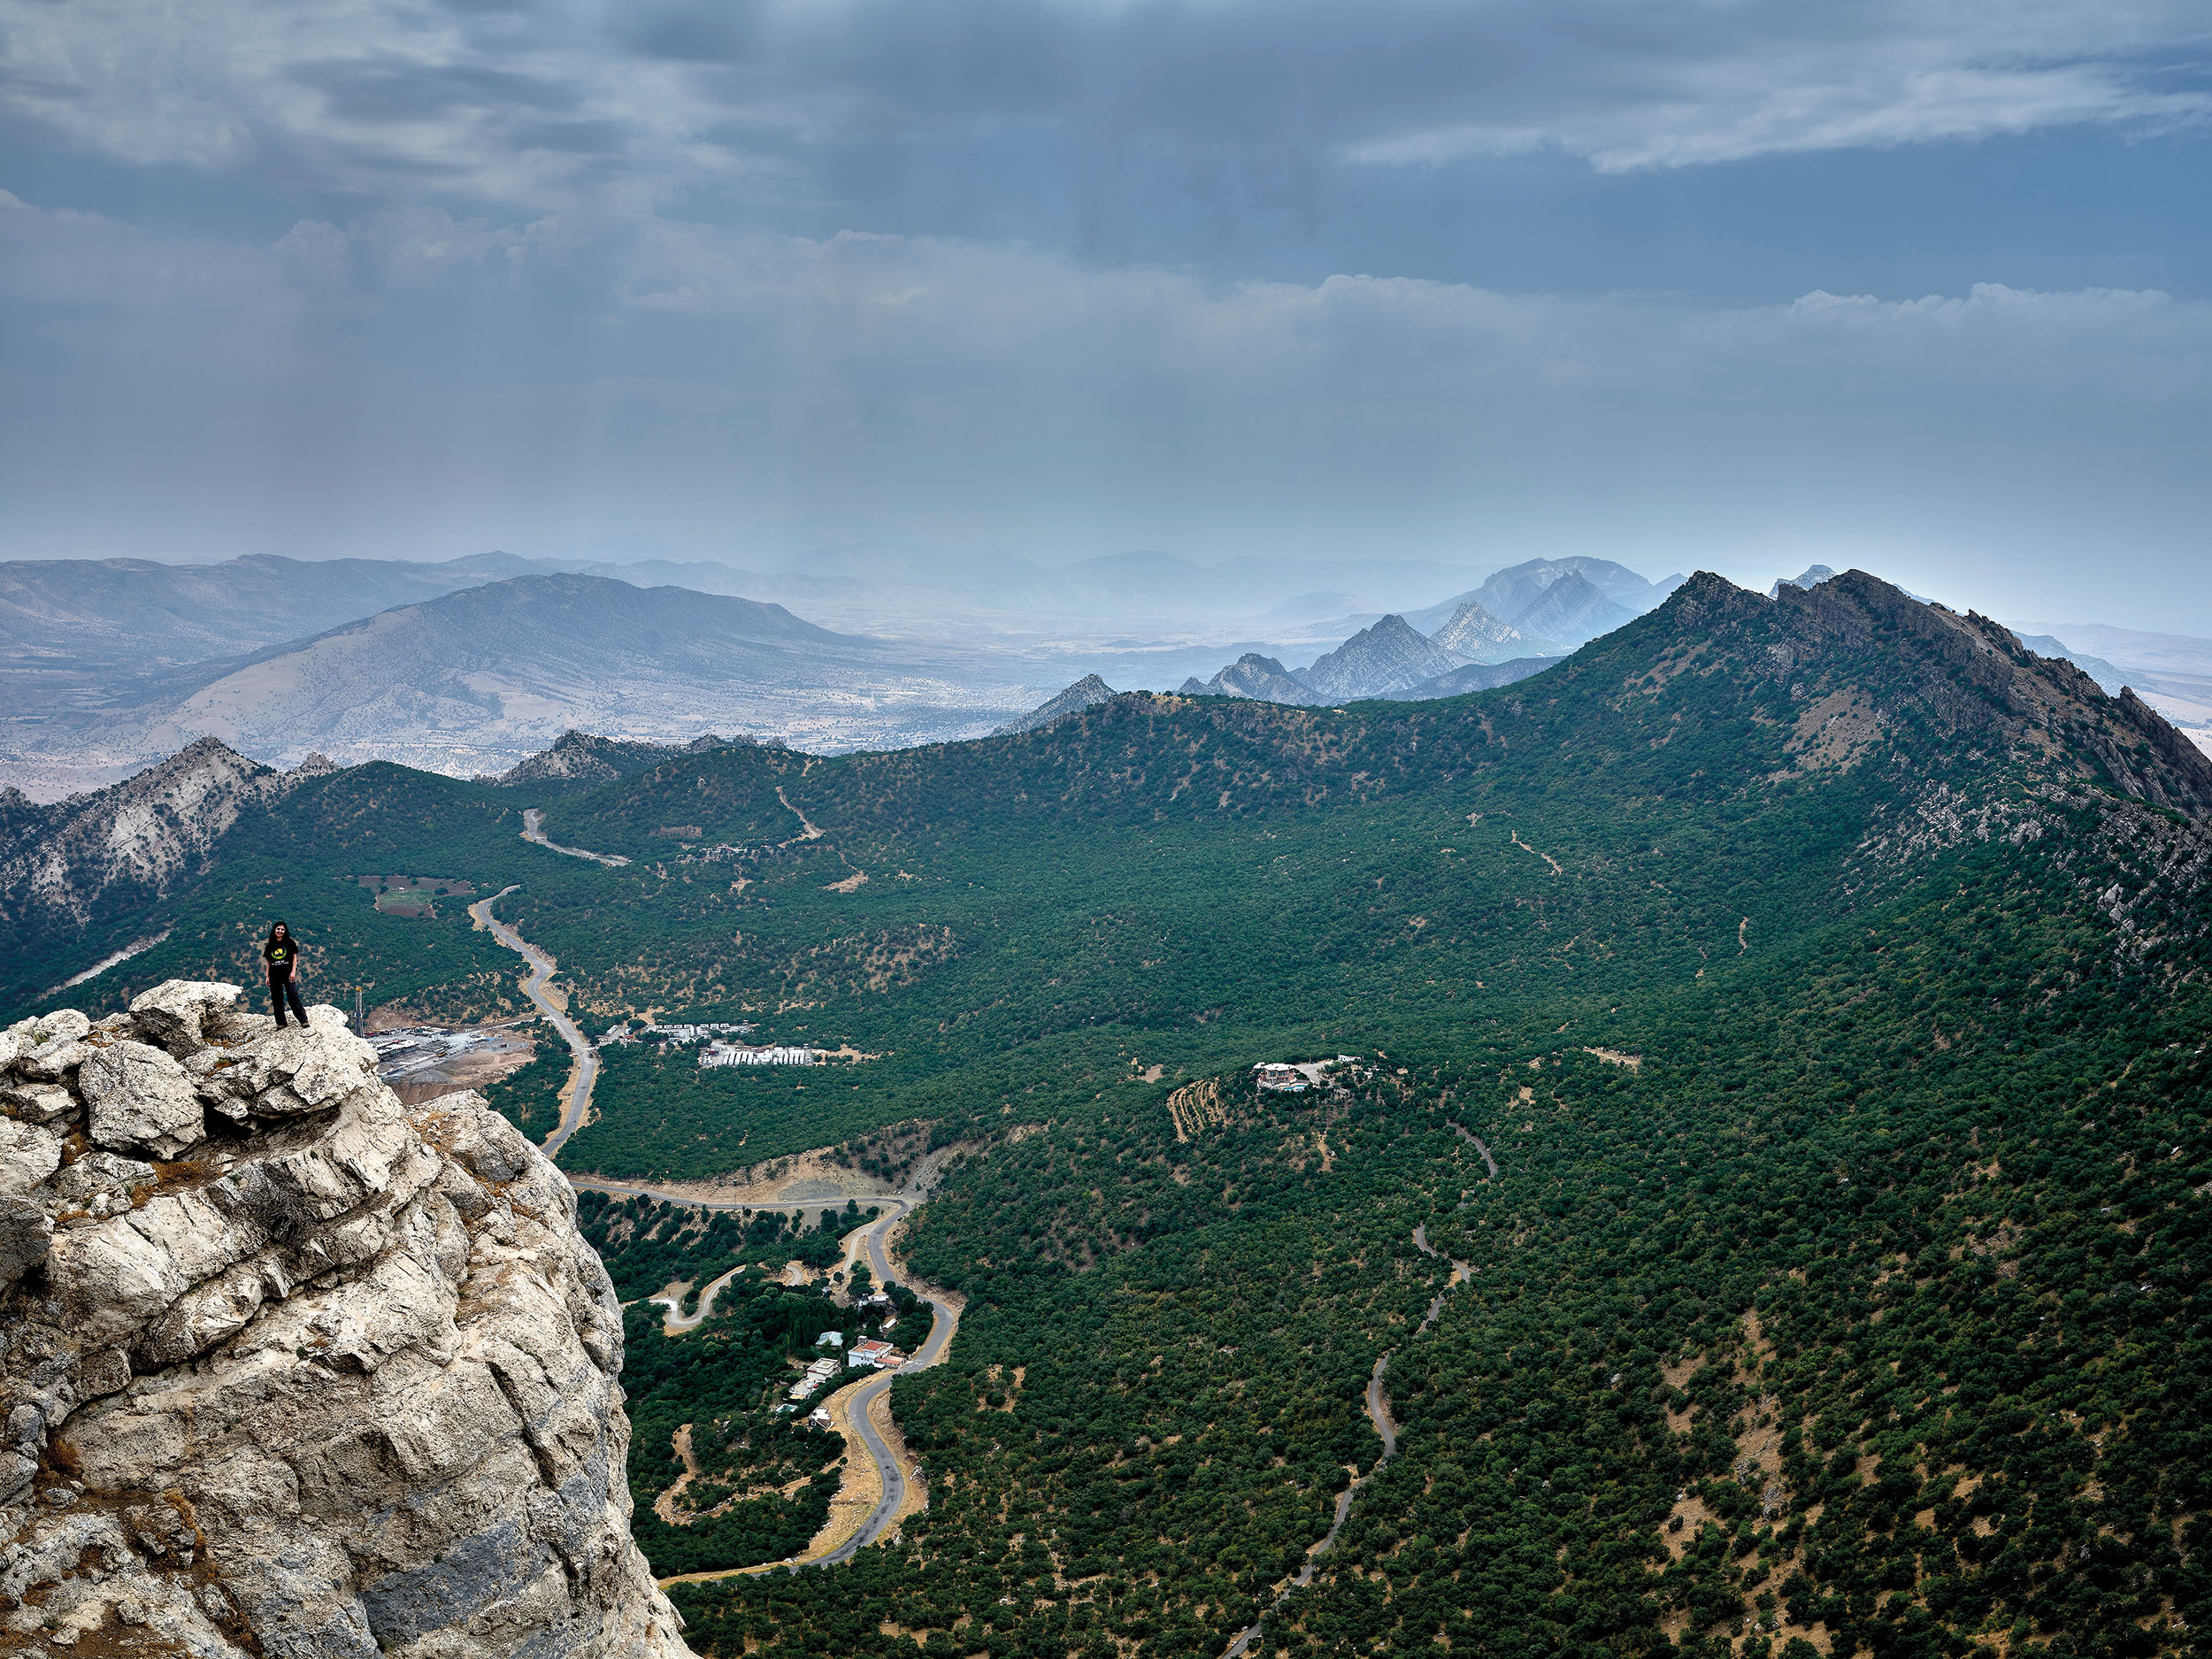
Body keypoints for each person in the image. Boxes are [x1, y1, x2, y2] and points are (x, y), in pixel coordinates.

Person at [263, 921, 308, 1027]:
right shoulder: (270, 945)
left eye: (282, 929)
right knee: (277, 998)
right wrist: (267, 976)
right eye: (278, 929)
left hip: (288, 974)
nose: (280, 931)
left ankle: (303, 1020)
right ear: (274, 930)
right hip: (274, 975)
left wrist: (293, 972)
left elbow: (294, 957)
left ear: (285, 931)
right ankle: (281, 1023)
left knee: (293, 996)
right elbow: (268, 962)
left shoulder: (289, 942)